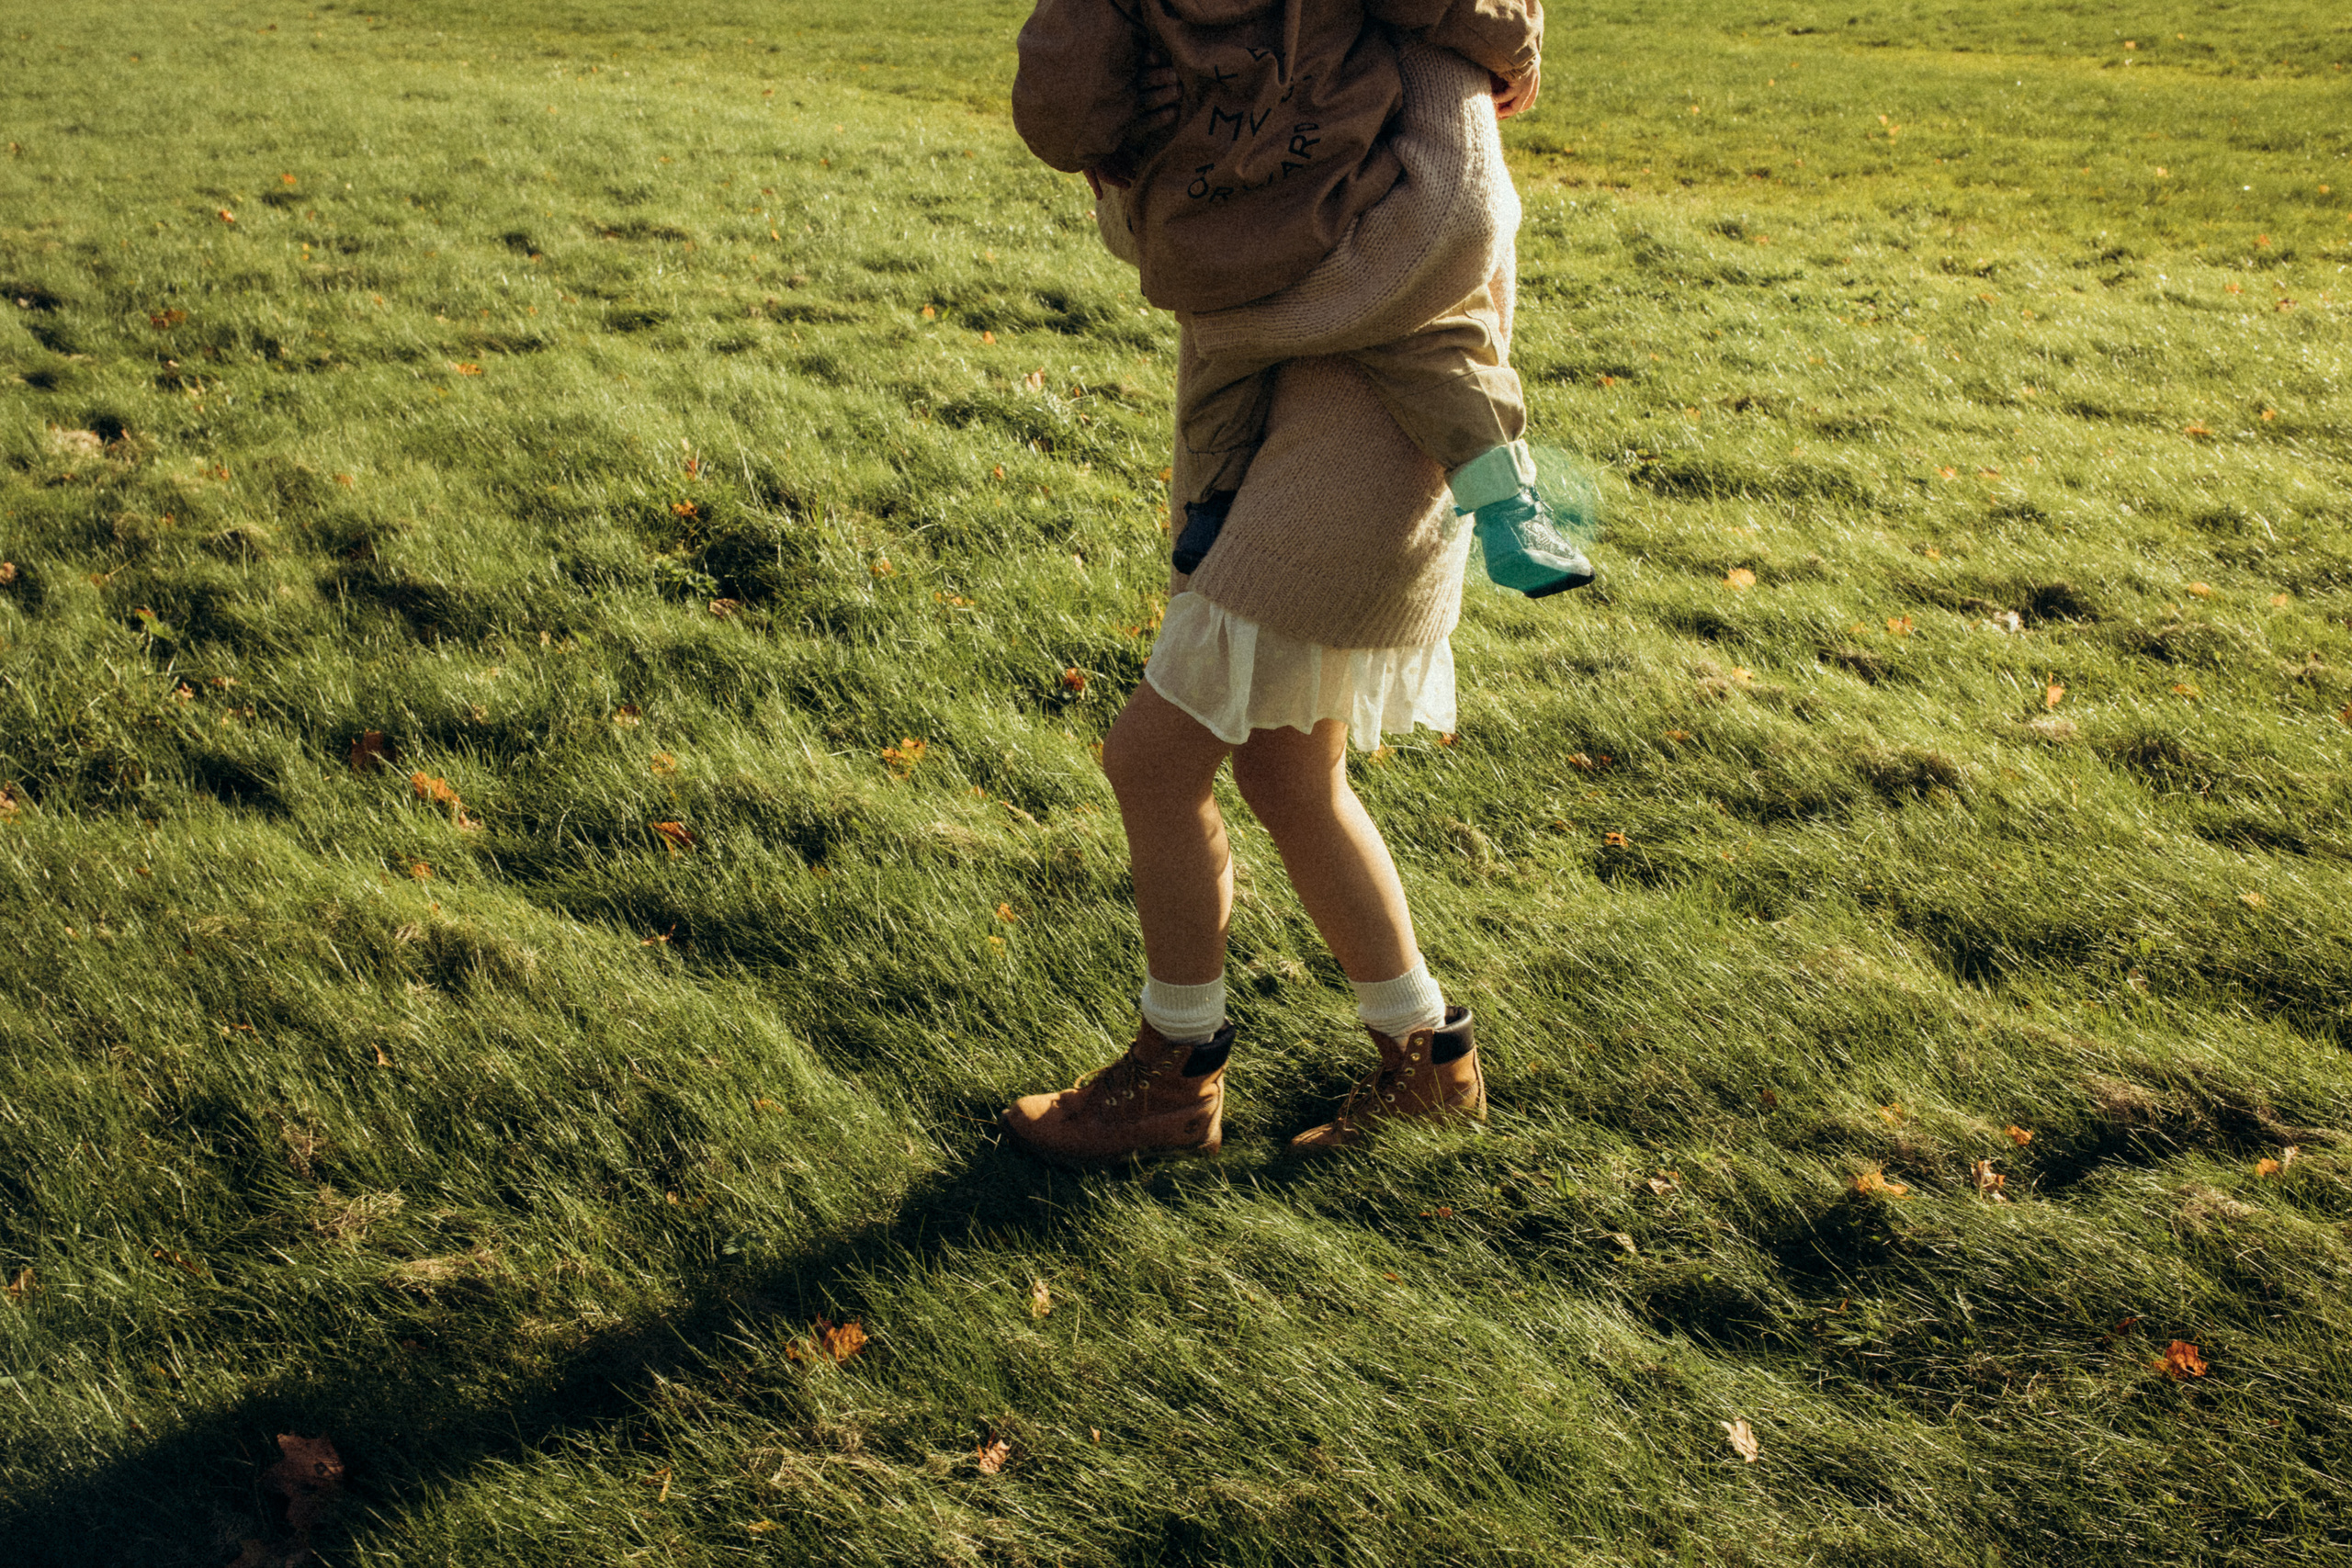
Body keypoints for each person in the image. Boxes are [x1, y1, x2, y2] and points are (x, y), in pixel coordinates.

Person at [998, 49, 1530, 1166]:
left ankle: (1175, 1073)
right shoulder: (1234, 36)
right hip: (1270, 425)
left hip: (1377, 432)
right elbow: (1161, 243)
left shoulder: (1421, 30)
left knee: (1152, 761)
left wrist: (1265, 312)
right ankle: (1427, 1062)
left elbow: (1462, 227)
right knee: (1289, 770)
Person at [1011, 0, 1592, 600]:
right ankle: (1509, 509)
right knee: (1438, 341)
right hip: (1333, 199)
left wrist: (1096, 140)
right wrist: (1518, 45)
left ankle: (1208, 515)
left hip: (1206, 237)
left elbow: (1061, 89)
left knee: (1221, 370)